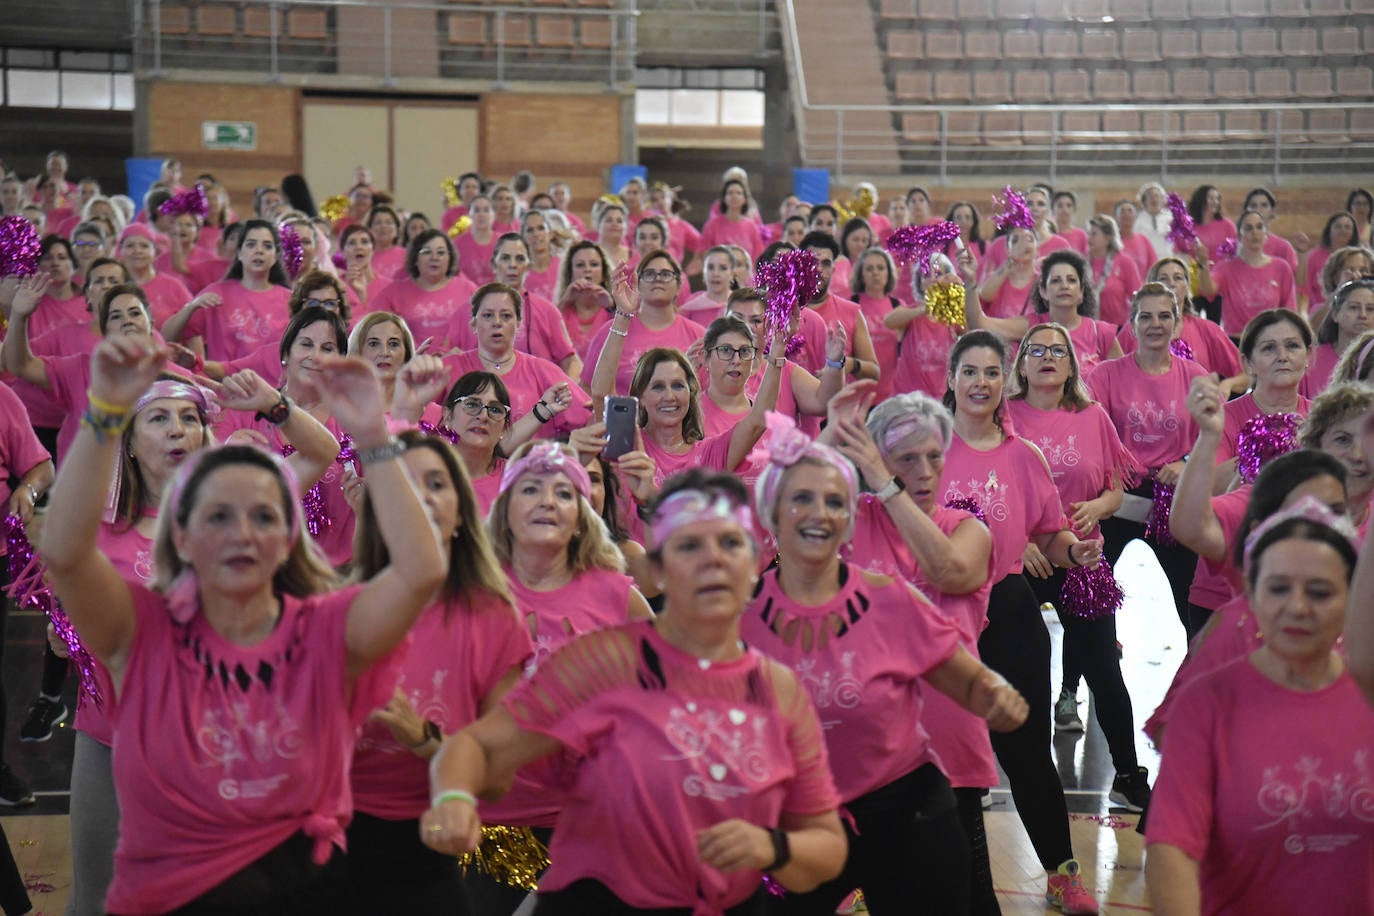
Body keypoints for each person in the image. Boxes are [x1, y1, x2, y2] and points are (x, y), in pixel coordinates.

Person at [40, 337, 446, 913]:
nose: (242, 532)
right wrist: (105, 412)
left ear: (287, 538)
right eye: (218, 516)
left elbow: (421, 570)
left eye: (262, 515)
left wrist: (375, 436)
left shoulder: (321, 630)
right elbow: (66, 552)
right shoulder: (146, 633)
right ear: (180, 536)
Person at [421, 470, 848, 912]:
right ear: (659, 572)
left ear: (754, 566)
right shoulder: (603, 663)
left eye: (730, 543)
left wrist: (771, 847)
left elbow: (826, 846)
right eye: (689, 546)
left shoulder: (777, 690)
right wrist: (452, 798)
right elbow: (474, 746)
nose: (712, 561)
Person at [739, 415, 1027, 915]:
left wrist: (993, 695)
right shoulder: (742, 622)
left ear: (848, 519)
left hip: (905, 810)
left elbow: (961, 675)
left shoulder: (888, 598)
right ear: (773, 513)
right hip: (799, 812)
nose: (819, 513)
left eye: (834, 502)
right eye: (801, 499)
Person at [938, 329, 1104, 915]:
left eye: (990, 372)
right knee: (945, 758)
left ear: (1001, 381)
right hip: (939, 619)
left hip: (1009, 611)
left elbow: (1050, 535)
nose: (980, 383)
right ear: (951, 379)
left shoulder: (1022, 455)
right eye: (969, 371)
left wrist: (1073, 552)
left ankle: (1063, 874)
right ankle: (953, 883)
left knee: (1028, 751)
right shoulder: (923, 450)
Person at [1145, 503, 1374, 915]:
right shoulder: (1207, 705)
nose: (1298, 607)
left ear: (1351, 597)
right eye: (1278, 588)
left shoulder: (1367, 698)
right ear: (1252, 593)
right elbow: (1171, 849)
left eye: (1320, 592)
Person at [337, 429, 531, 913]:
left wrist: (419, 736)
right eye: (403, 483)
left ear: (464, 513)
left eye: (437, 484)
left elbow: (496, 780)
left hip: (429, 847)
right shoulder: (333, 606)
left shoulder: (494, 619)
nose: (420, 495)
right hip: (325, 844)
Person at [1003, 324, 1151, 811]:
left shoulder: (1092, 416)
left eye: (1057, 351)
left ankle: (1128, 776)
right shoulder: (1003, 416)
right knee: (1015, 670)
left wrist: (1100, 508)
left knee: (1105, 671)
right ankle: (993, 777)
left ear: (1072, 365)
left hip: (1082, 556)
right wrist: (1019, 539)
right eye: (1036, 350)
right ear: (1021, 363)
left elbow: (1114, 489)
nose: (1047, 357)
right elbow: (985, 487)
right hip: (1019, 560)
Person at [1088, 283, 1209, 638]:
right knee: (1090, 592)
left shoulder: (1195, 376)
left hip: (1174, 499)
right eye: (1146, 316)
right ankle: (1079, 683)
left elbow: (1214, 438)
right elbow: (1089, 429)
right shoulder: (1106, 374)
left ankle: (1197, 681)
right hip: (1120, 497)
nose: (1155, 324)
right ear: (1132, 322)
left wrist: (1186, 462)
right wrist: (1113, 461)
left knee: (1192, 599)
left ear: (1176, 323)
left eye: (1164, 316)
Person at [443, 282, 591, 440]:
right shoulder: (448, 368)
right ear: (474, 323)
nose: (497, 322)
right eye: (488, 315)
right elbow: (418, 417)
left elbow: (589, 417)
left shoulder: (543, 370)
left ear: (518, 323)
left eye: (506, 316)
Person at [968, 248, 1122, 373]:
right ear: (1043, 291)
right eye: (1056, 280)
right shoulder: (1032, 326)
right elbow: (979, 322)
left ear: (1081, 292)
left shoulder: (1101, 333)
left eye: (1071, 280)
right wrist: (970, 280)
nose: (1064, 285)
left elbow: (1120, 382)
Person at [450, 235, 581, 377]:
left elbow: (572, 362)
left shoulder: (547, 311)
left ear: (529, 266)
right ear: (494, 264)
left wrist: (564, 393)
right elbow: (449, 357)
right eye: (505, 258)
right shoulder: (465, 312)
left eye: (519, 259)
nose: (512, 265)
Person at [1209, 309, 1312, 490]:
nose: (1282, 356)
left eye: (1292, 346)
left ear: (1308, 356)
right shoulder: (1222, 418)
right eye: (1269, 348)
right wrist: (1264, 451)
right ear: (1247, 363)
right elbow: (1208, 487)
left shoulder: (1322, 418)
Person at [163, 219, 293, 362]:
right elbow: (167, 337)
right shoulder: (217, 293)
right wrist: (191, 307)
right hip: (223, 381)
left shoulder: (289, 300)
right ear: (239, 253)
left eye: (267, 246)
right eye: (251, 244)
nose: (259, 250)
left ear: (275, 256)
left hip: (273, 383)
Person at [579, 252, 706, 396]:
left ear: (678, 286)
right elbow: (587, 388)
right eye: (649, 274)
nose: (657, 279)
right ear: (637, 284)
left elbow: (709, 393)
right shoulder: (611, 331)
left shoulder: (698, 334)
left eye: (665, 274)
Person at [1116, 257, 1244, 389]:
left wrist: (1226, 386)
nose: (1171, 283)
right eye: (1163, 279)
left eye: (1178, 278)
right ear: (1152, 287)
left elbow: (1245, 375)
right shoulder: (1132, 330)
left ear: (1187, 286)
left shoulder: (1207, 330)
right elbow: (1110, 375)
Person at [1196, 208, 1298, 339]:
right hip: (1237, 342)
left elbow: (1289, 312)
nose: (1254, 232)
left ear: (1266, 234)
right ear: (1239, 236)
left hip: (1271, 342)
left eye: (1259, 227)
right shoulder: (1225, 268)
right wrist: (1203, 264)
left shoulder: (1281, 268)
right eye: (1248, 228)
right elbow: (1208, 289)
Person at [371, 229, 477, 351]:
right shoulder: (393, 292)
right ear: (415, 258)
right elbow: (376, 329)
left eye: (441, 252)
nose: (435, 257)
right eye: (427, 252)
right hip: (409, 363)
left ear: (450, 258)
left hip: (459, 362)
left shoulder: (468, 289)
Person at [800, 231, 879, 384]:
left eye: (826, 263)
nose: (818, 269)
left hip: (838, 405)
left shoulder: (851, 311)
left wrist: (849, 364)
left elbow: (874, 372)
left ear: (834, 269)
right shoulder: (785, 311)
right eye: (812, 262)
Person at [1304, 279, 1374, 397]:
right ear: (1335, 314)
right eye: (1353, 307)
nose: (1363, 315)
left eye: (1370, 309)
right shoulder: (1311, 359)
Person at [1084, 215, 1143, 329]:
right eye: (1088, 233)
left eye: (1094, 234)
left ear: (1107, 238)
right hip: (1090, 327)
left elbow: (1137, 298)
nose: (1089, 238)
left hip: (1118, 327)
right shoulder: (1084, 263)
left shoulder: (1124, 262)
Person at [700, 179, 766, 261]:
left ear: (745, 199)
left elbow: (759, 256)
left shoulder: (751, 226)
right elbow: (703, 253)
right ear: (723, 198)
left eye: (738, 193)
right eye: (730, 193)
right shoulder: (712, 224)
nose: (734, 196)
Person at [337, 224, 392, 315]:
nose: (359, 247)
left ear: (373, 250)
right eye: (352, 243)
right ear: (342, 252)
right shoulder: (335, 286)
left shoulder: (389, 287)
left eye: (364, 242)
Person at [680, 246, 735, 325]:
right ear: (703, 272)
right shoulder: (692, 302)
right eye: (710, 267)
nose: (716, 274)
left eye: (722, 268)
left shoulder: (740, 303)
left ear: (732, 274)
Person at [1187, 184, 1236, 262]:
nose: (1215, 202)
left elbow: (1235, 252)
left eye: (1217, 199)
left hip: (1220, 271)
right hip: (1195, 272)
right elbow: (1179, 249)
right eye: (1211, 198)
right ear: (1201, 200)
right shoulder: (1188, 226)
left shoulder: (1227, 225)